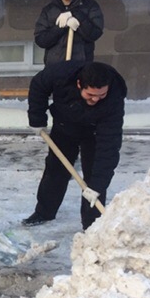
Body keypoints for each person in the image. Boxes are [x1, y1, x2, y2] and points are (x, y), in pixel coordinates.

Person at [22, 59, 126, 231]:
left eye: (101, 95)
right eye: (90, 94)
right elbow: (38, 86)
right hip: (65, 125)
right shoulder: (61, 74)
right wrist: (37, 118)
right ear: (79, 84)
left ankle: (91, 224)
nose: (96, 99)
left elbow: (109, 147)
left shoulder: (113, 100)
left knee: (94, 176)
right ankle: (44, 211)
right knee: (56, 169)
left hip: (94, 133)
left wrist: (97, 186)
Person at [34, 0, 104, 66]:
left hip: (81, 68)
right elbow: (41, 40)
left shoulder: (89, 6)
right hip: (55, 70)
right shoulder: (49, 10)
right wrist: (60, 28)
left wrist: (77, 16)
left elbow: (95, 33)